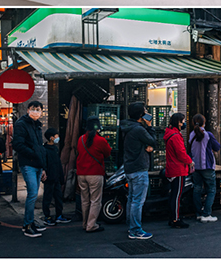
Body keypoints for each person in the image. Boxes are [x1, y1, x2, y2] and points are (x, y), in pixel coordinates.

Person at [119, 102, 156, 240]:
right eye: (145, 110)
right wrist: (150, 126)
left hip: (129, 167)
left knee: (132, 199)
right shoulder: (139, 129)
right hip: (139, 168)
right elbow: (153, 141)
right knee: (137, 201)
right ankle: (135, 229)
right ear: (141, 115)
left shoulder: (127, 127)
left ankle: (131, 225)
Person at [12, 101, 48, 238]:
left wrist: (43, 166)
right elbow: (18, 144)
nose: (36, 112)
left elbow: (40, 146)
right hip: (28, 163)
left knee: (33, 193)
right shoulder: (21, 124)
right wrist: (34, 154)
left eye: (38, 110)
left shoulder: (37, 125)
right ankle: (27, 225)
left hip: (38, 164)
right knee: (32, 194)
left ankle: (31, 222)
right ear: (28, 110)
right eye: (33, 109)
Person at [76, 117, 111, 233]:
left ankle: (85, 223)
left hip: (81, 173)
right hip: (95, 173)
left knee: (85, 200)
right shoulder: (100, 140)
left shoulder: (80, 139)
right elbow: (107, 153)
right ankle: (91, 225)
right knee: (95, 200)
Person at [187, 114, 221, 223]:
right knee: (211, 189)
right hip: (207, 166)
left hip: (195, 166)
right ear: (204, 123)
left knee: (197, 188)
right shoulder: (208, 135)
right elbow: (217, 147)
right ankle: (206, 214)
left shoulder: (191, 135)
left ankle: (198, 213)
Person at [163, 113, 193, 228]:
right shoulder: (175, 136)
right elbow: (181, 153)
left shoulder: (170, 134)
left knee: (174, 195)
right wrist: (190, 161)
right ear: (178, 122)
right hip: (178, 168)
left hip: (172, 167)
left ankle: (173, 217)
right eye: (182, 121)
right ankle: (175, 219)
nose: (184, 123)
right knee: (177, 195)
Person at [41, 128, 69, 226]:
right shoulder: (44, 150)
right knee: (47, 198)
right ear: (51, 137)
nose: (57, 137)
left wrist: (61, 177)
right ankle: (47, 217)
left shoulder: (55, 149)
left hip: (57, 177)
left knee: (58, 197)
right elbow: (44, 164)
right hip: (49, 178)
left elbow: (58, 164)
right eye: (56, 136)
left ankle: (59, 215)